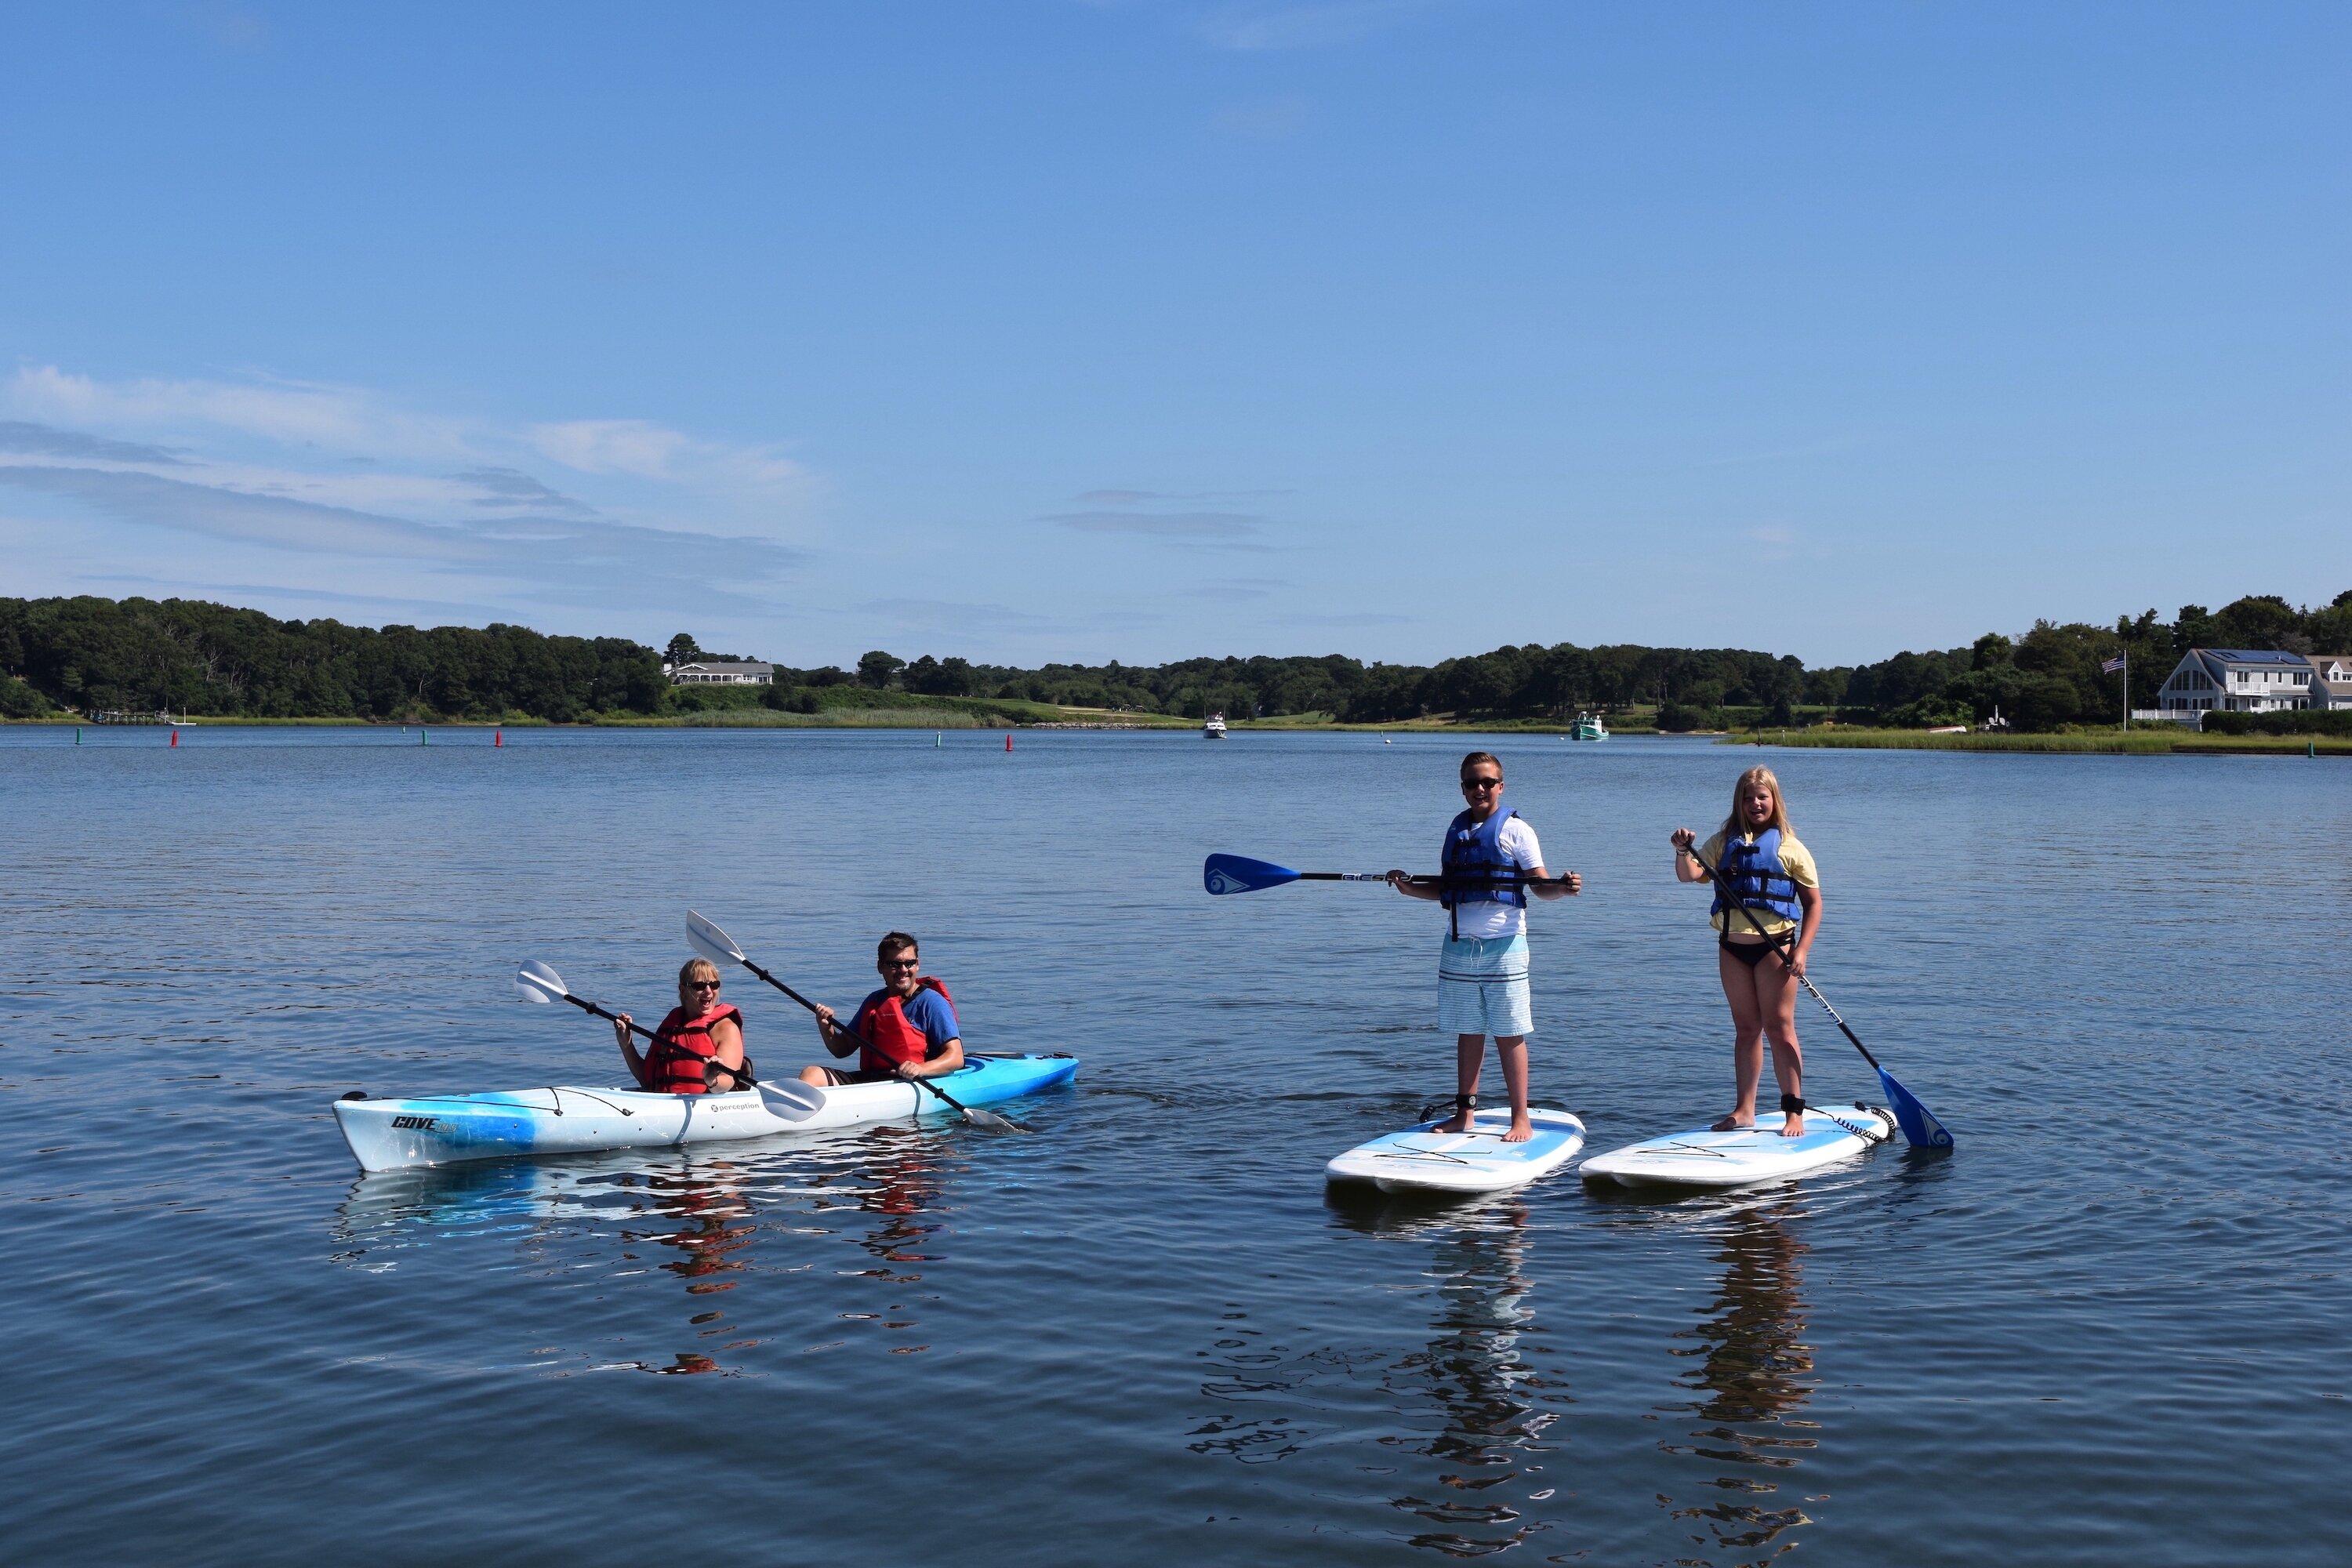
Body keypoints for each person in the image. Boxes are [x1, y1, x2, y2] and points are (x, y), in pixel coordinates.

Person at [1387, 751, 1580, 1142]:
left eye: (1488, 783)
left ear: (1500, 787)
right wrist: (1408, 888)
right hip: (1458, 947)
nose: (1480, 789)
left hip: (1505, 945)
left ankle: (1520, 1118)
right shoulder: (1456, 831)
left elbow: (1540, 886)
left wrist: (1562, 887)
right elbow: (1446, 889)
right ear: (1463, 789)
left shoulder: (1517, 831)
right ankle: (1465, 1115)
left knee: (1509, 1033)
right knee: (1468, 1031)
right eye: (1472, 783)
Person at [1670, 764, 1822, 1136]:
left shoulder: (1790, 847)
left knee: (1780, 1029)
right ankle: (1745, 1110)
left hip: (1776, 950)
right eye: (1748, 797)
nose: (1755, 803)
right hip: (1732, 949)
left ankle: (1794, 1111)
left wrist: (1802, 951)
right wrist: (1681, 849)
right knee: (1746, 1029)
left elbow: (1814, 904)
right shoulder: (1723, 843)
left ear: (1774, 801)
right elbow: (1688, 874)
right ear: (1738, 802)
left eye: (1762, 797)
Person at [801, 931, 967, 1086]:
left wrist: (921, 1069)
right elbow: (842, 1049)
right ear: (880, 966)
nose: (903, 970)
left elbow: (956, 1058)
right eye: (895, 964)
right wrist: (826, 1027)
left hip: (912, 1083)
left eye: (909, 963)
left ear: (917, 965)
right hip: (873, 1081)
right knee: (812, 1074)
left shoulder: (932, 1002)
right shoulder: (874, 1001)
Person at [612, 957, 750, 1094]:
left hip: (703, 1108)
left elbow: (727, 1082)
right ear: (683, 990)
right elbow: (646, 1079)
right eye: (699, 986)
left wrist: (712, 1080)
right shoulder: (673, 1024)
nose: (709, 991)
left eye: (714, 985)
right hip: (660, 1104)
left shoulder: (726, 1028)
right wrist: (626, 1044)